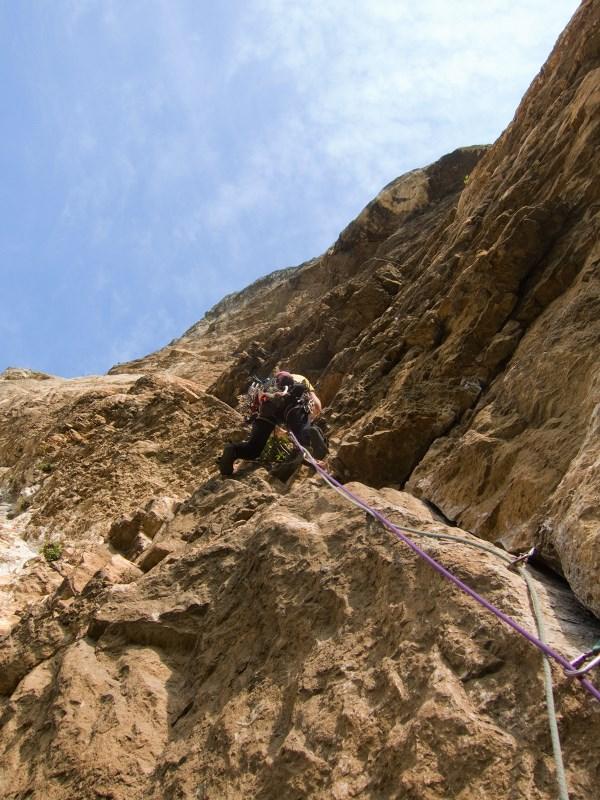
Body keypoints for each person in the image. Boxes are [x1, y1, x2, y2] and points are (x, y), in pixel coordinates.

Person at [217, 370, 326, 477]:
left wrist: (284, 431)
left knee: (253, 449)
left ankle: (233, 450)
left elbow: (260, 409)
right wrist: (309, 420)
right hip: (293, 404)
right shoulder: (301, 379)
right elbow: (316, 403)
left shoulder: (268, 385)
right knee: (303, 434)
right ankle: (310, 434)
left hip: (267, 409)